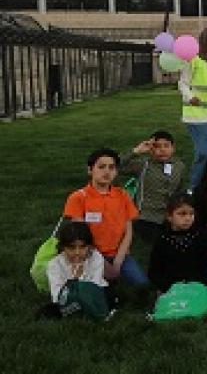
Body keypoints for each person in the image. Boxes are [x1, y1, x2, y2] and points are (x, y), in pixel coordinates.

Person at [61, 149, 147, 287]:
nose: (107, 172)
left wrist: (118, 262)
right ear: (90, 170)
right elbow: (79, 237)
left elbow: (128, 232)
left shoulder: (123, 195)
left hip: (120, 254)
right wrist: (103, 264)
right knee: (95, 291)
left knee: (142, 285)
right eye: (101, 167)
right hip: (88, 254)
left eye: (111, 167)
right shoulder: (78, 197)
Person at [120, 130, 187, 245]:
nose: (162, 150)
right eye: (157, 146)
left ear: (173, 148)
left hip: (169, 217)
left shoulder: (179, 166)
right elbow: (115, 166)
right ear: (150, 149)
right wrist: (136, 151)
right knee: (161, 244)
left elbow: (180, 190)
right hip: (146, 217)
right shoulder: (143, 165)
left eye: (166, 146)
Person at [180, 25, 207, 188]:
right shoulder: (194, 60)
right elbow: (183, 83)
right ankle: (194, 187)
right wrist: (190, 97)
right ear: (205, 41)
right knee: (205, 152)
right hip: (196, 114)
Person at [147, 194, 207, 293]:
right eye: (182, 214)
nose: (188, 218)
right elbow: (154, 271)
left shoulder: (201, 237)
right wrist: (167, 287)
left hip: (198, 288)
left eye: (191, 214)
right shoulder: (162, 240)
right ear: (169, 217)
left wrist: (199, 285)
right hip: (170, 289)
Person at [45, 222, 112, 317]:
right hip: (68, 299)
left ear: (89, 246)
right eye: (71, 248)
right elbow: (57, 296)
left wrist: (80, 279)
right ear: (63, 247)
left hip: (95, 294)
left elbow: (94, 289)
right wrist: (74, 281)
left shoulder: (95, 257)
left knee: (110, 296)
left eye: (82, 247)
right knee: (50, 311)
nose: (77, 252)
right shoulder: (54, 265)